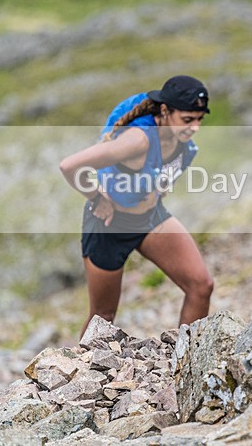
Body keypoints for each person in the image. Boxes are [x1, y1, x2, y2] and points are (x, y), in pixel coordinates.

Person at [59, 75, 214, 337]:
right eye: (188, 119)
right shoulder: (137, 140)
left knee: (201, 286)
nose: (195, 127)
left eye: (199, 119)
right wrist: (97, 198)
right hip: (110, 228)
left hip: (151, 219)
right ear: (165, 111)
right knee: (103, 317)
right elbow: (70, 165)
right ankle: (77, 374)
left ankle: (186, 363)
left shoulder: (176, 136)